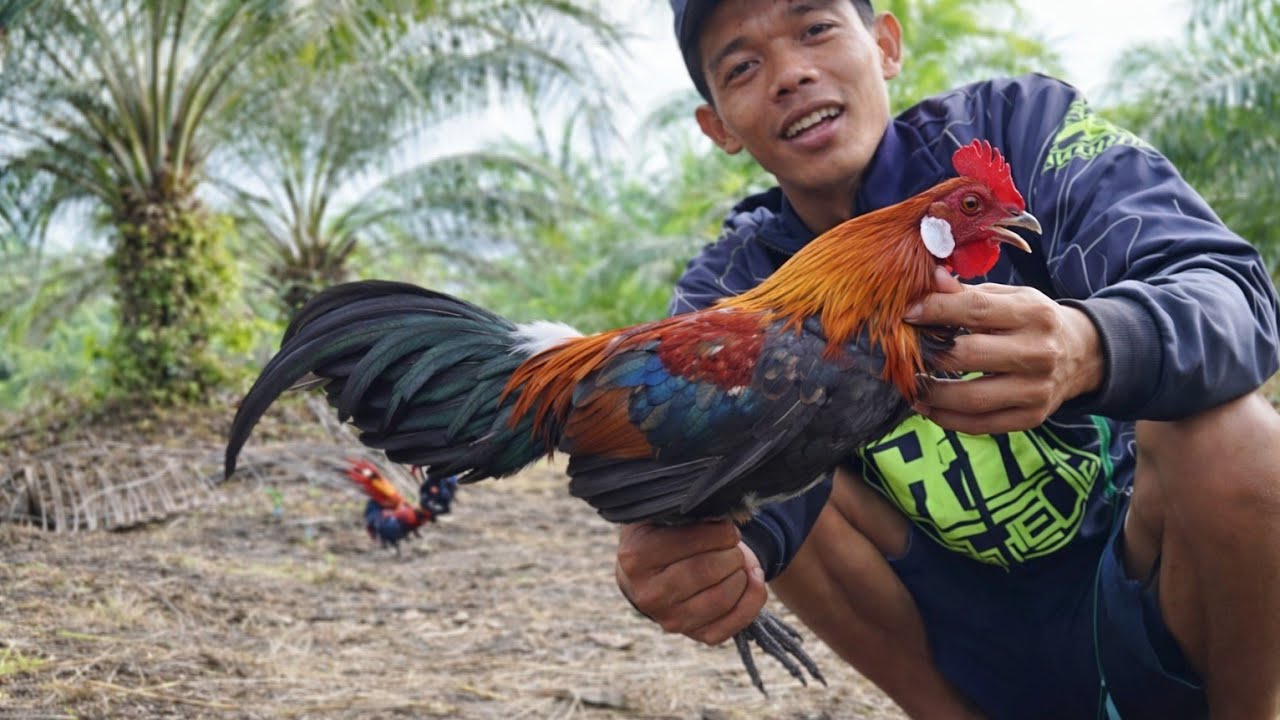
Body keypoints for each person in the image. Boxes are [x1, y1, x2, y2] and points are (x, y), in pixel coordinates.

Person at [613, 1, 1280, 718]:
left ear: (886, 45)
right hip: (960, 631)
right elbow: (699, 481)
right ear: (718, 127)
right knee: (752, 481)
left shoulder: (1022, 129)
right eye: (743, 66)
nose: (790, 74)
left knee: (1231, 433)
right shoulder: (729, 289)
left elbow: (1235, 292)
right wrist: (690, 555)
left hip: (1141, 569)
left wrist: (1092, 344)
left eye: (816, 29)